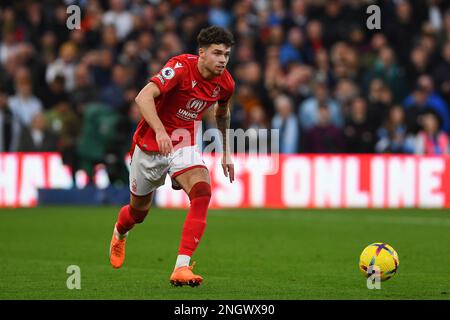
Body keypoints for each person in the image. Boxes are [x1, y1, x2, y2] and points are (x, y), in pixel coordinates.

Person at [109, 26, 235, 287]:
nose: (223, 60)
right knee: (138, 213)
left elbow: (222, 114)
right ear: (201, 53)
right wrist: (159, 131)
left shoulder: (225, 83)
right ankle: (120, 233)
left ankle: (182, 267)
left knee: (202, 191)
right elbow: (143, 97)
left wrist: (226, 151)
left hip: (183, 143)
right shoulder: (179, 67)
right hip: (148, 146)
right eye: (217, 53)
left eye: (227, 54)